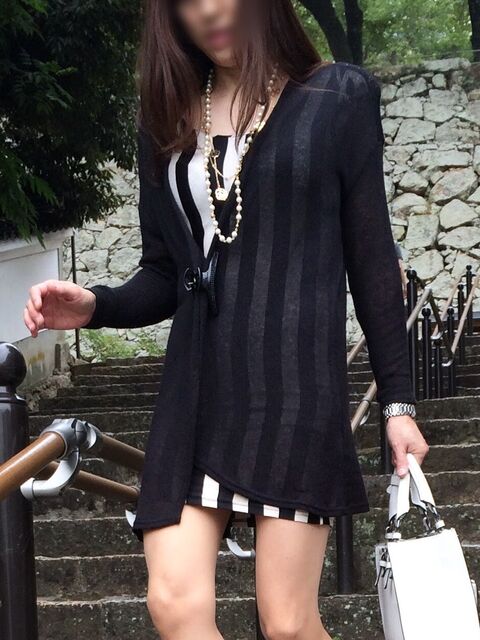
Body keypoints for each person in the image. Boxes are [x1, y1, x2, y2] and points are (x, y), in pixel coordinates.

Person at [23, 1, 429, 638]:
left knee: (287, 622)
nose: (208, 10)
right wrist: (96, 305)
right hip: (196, 392)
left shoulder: (335, 97)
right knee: (174, 604)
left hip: (294, 390)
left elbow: (373, 259)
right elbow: (165, 272)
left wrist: (397, 403)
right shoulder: (164, 119)